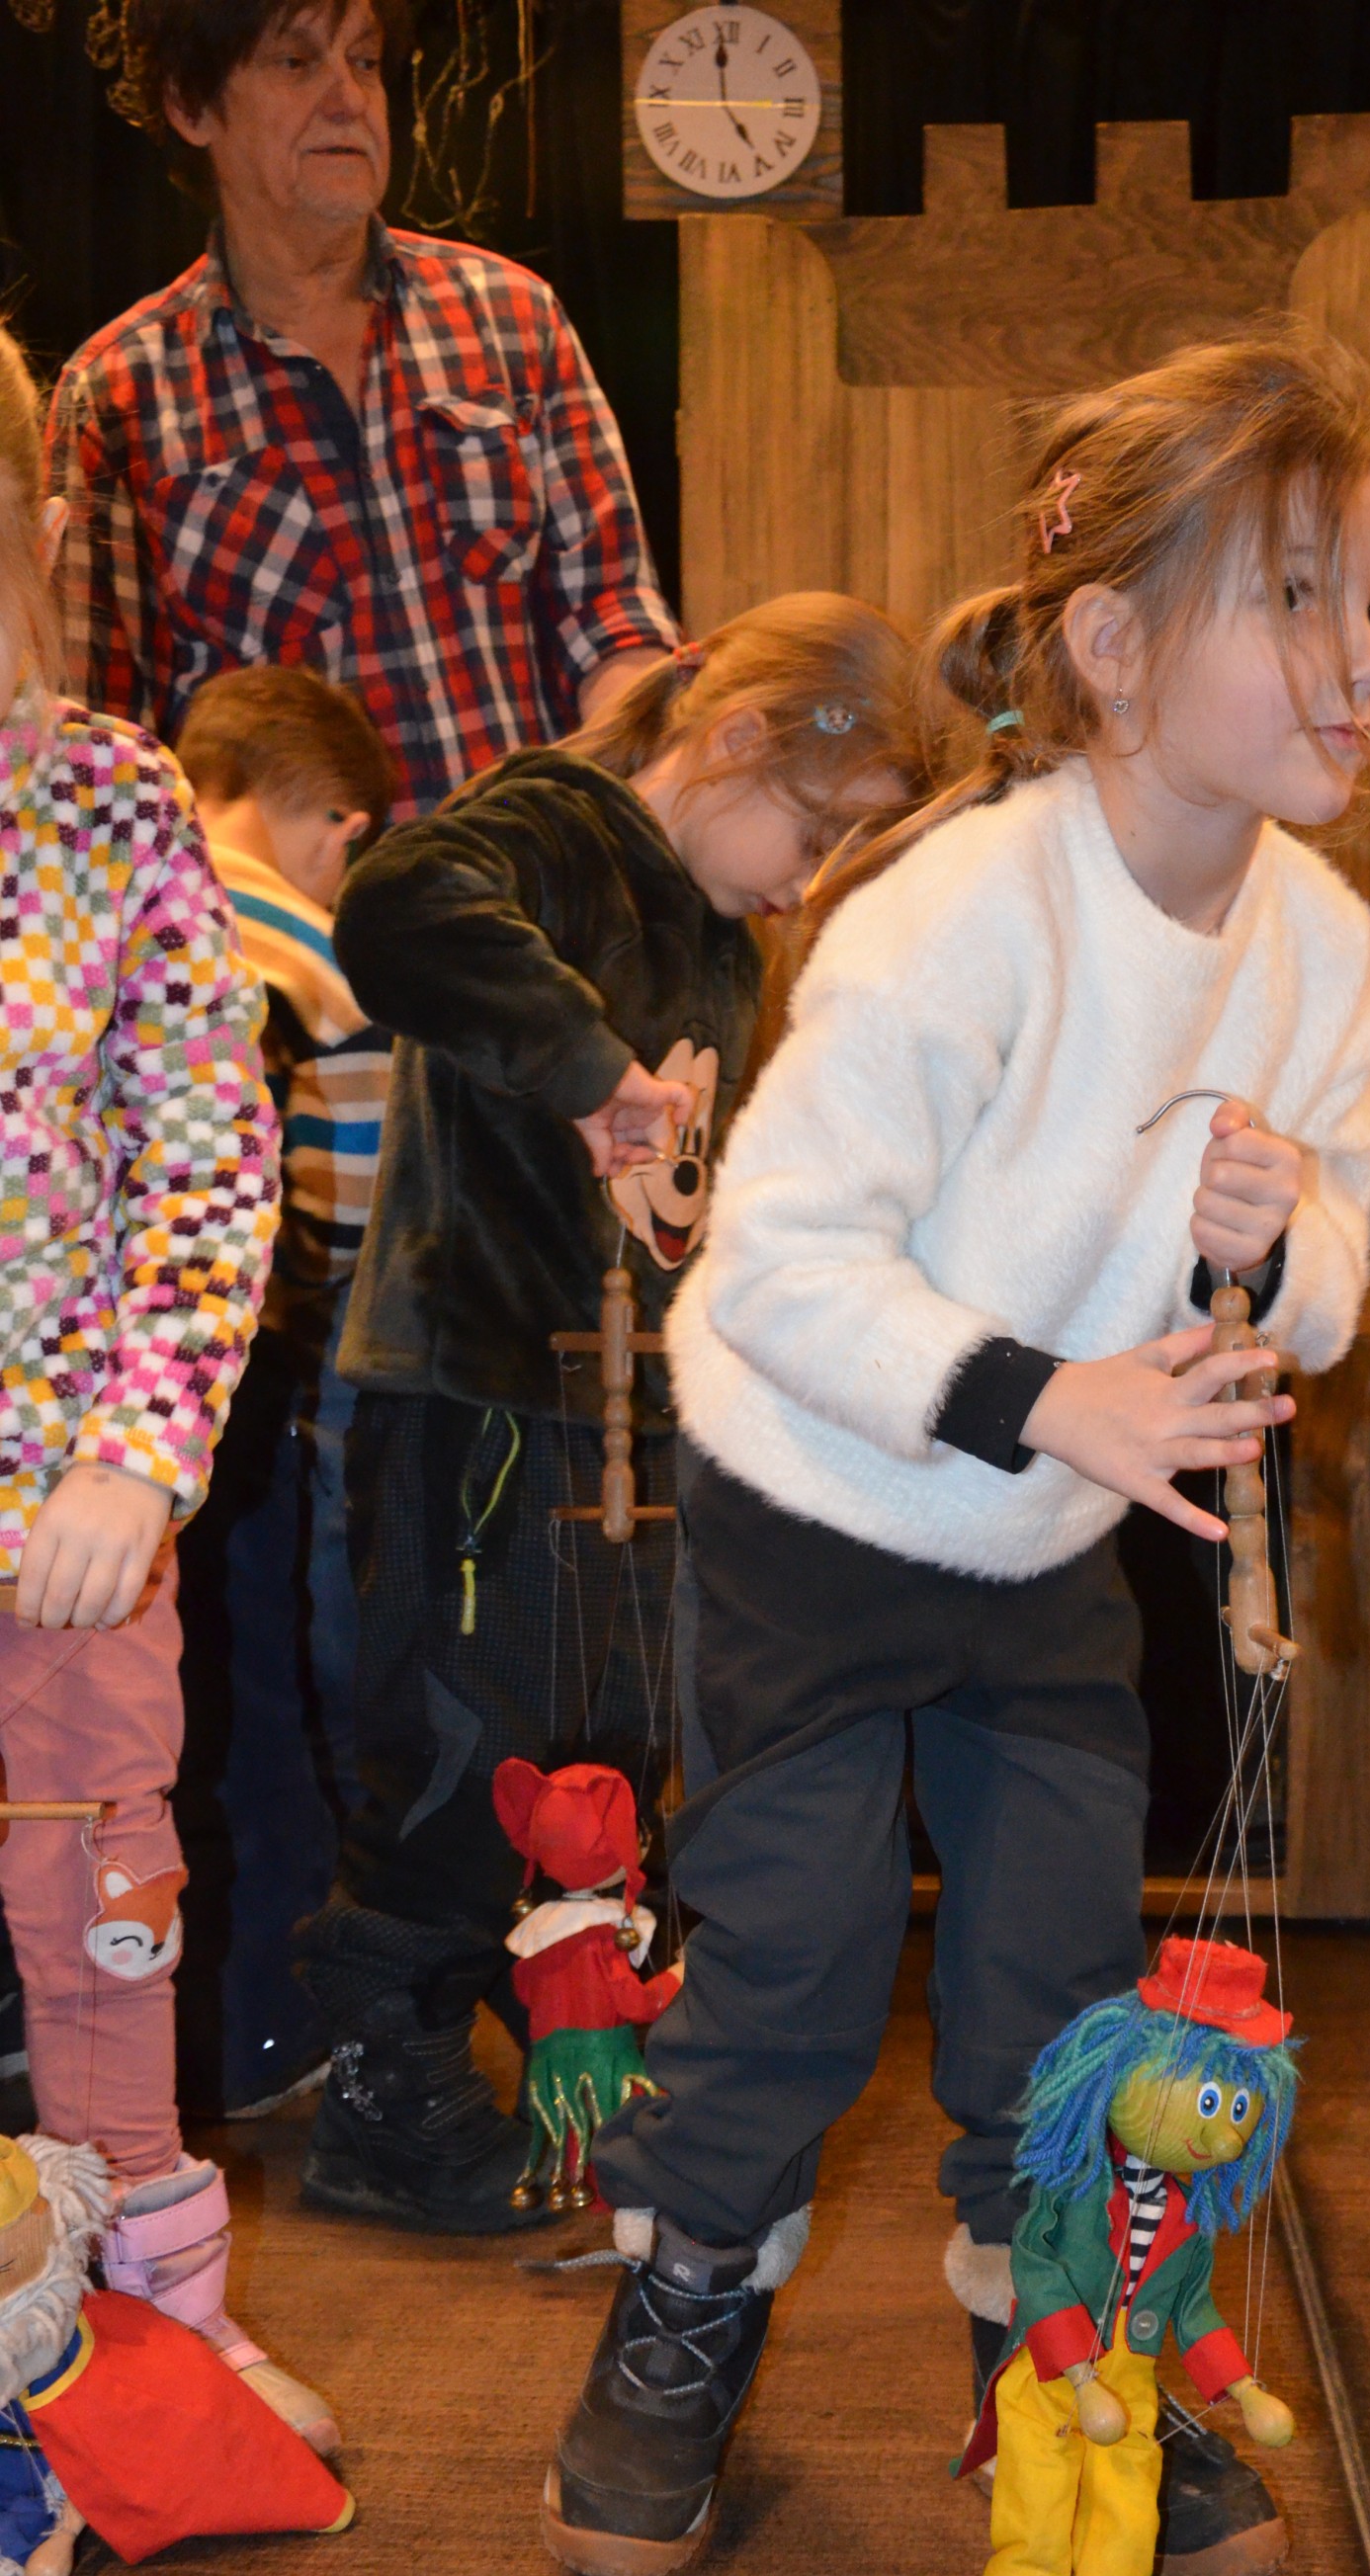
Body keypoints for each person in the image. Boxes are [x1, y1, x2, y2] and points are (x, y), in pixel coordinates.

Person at [545, 328, 1370, 2576]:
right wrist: (1058, 1397)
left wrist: (1282, 1241)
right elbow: (776, 1268)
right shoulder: (958, 914)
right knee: (792, 1955)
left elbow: (1333, 1288)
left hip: (1040, 1532)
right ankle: (684, 2311)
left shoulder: (1327, 946)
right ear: (1114, 647)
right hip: (813, 1505)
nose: (1365, 662)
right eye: (1300, 599)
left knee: (1057, 1971)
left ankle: (1060, 2352)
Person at [294, 594, 923, 2237]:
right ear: (736, 738)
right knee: (463, 1743)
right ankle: (385, 2082)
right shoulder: (557, 827)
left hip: (618, 1416)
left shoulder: (717, 932)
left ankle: (568, 2035)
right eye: (810, 835)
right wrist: (586, 1067)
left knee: (606, 1749)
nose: (804, 883)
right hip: (478, 1387)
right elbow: (398, 908)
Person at [0, 322, 333, 2451]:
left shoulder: (112, 807)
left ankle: (157, 2321)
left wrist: (137, 1453)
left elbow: (209, 1162)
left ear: (37, 531)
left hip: (68, 1522)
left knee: (105, 1918)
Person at [46, 0, 672, 820]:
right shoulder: (119, 394)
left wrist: (625, 799)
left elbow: (615, 617)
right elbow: (97, 750)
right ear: (190, 106)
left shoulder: (513, 318)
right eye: (297, 62)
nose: (348, 99)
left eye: (366, 62)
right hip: (291, 904)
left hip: (537, 883)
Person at [171, 663, 398, 2116]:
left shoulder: (119, 903)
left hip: (104, 1396)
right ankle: (273, 2020)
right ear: (338, 821)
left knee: (173, 1705)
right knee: (280, 1697)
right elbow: (358, 1207)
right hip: (268, 1377)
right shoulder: (322, 955)